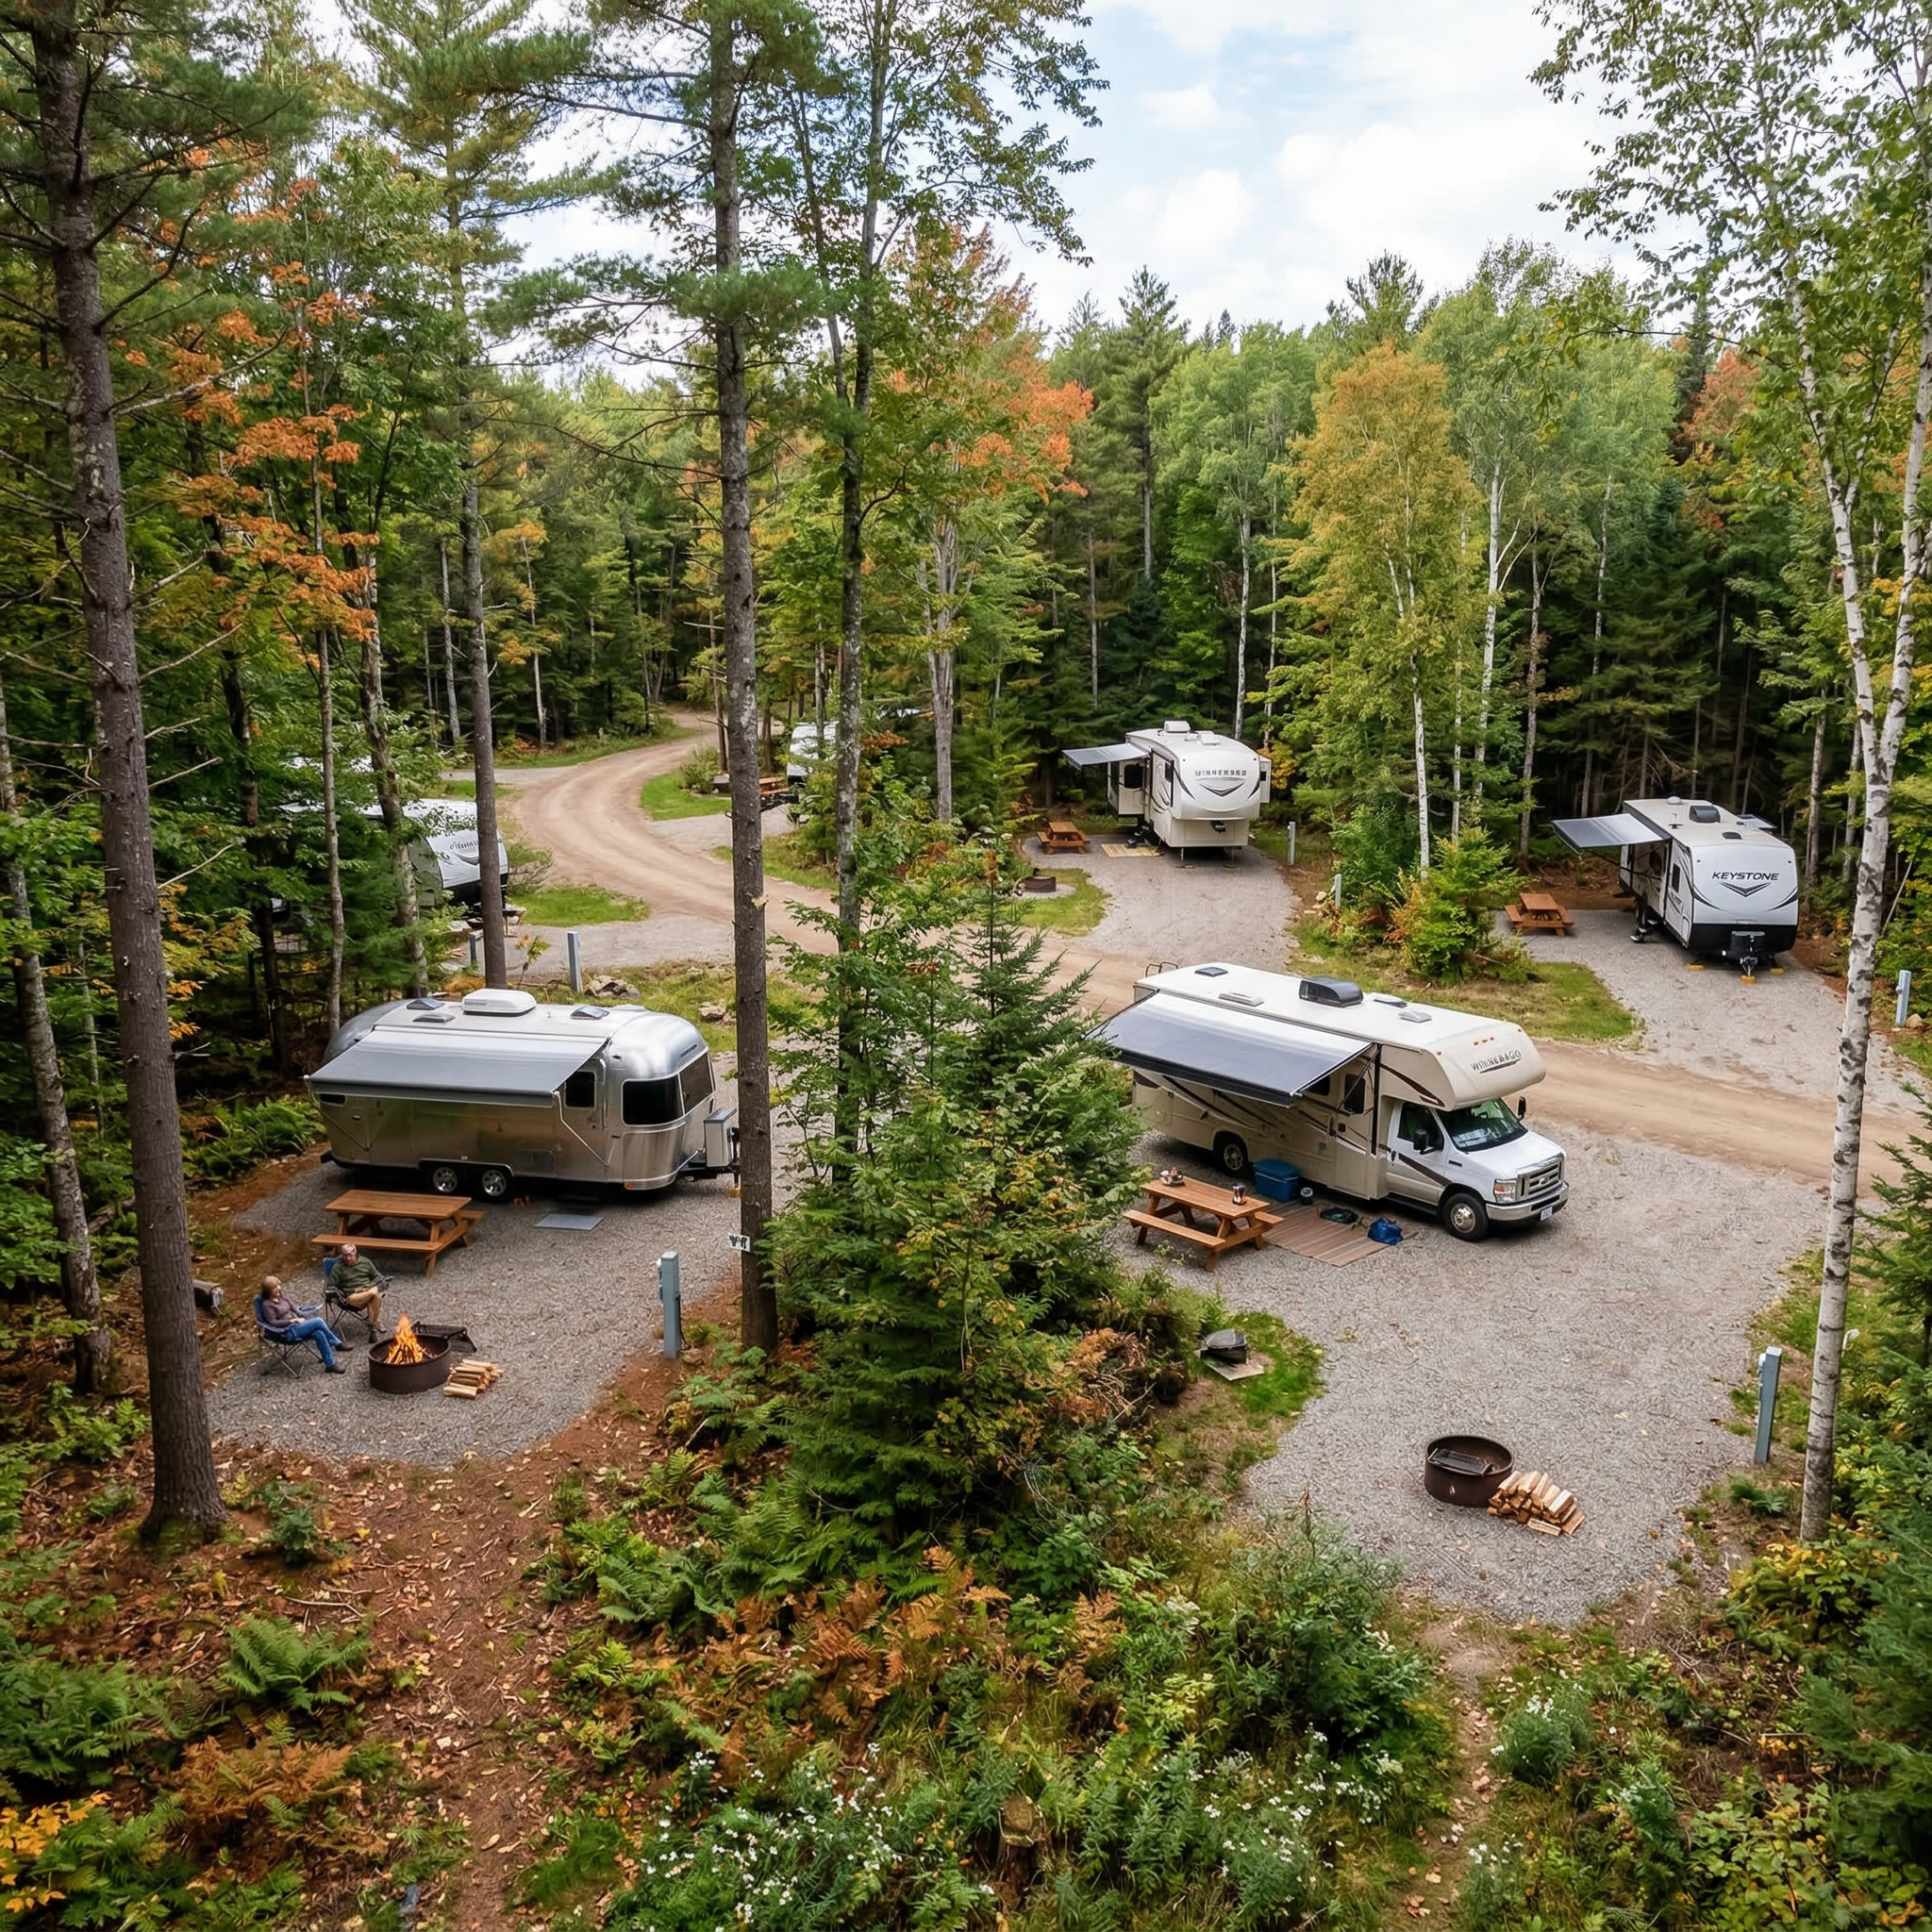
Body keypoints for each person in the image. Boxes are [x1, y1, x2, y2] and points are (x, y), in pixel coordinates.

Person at [259, 1275, 350, 1373]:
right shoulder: (267, 1305)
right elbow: (273, 1323)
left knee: (318, 1332)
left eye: (278, 1285)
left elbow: (298, 1312)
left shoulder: (283, 1298)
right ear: (268, 1291)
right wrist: (291, 1321)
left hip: (296, 1327)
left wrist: (312, 1311)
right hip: (285, 1332)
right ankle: (337, 1343)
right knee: (319, 1321)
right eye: (274, 1287)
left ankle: (330, 1364)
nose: (278, 1289)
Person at [328, 1243, 386, 1337]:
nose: (348, 1258)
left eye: (350, 1255)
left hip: (367, 1291)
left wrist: (371, 1285)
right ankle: (375, 1323)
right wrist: (337, 1295)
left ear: (355, 1252)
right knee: (375, 1293)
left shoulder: (365, 1263)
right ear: (341, 1255)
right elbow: (330, 1286)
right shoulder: (338, 1267)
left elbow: (378, 1277)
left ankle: (372, 1326)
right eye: (345, 1256)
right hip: (352, 1298)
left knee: (375, 1296)